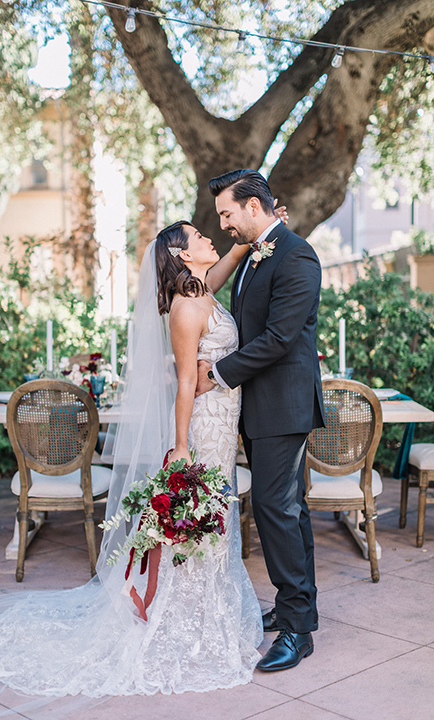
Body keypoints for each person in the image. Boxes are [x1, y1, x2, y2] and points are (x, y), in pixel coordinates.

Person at [0, 214, 283, 711]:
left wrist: (261, 233)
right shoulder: (184, 309)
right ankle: (188, 620)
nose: (209, 237)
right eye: (198, 236)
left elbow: (225, 267)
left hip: (222, 420)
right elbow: (186, 385)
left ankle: (208, 611)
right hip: (203, 427)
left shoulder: (202, 293)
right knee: (203, 522)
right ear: (180, 254)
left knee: (214, 521)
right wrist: (181, 445)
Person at [196, 168, 325, 672]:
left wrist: (219, 374)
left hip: (284, 406)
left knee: (274, 510)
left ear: (254, 207)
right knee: (289, 512)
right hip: (258, 407)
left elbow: (278, 339)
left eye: (227, 212)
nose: (224, 222)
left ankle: (297, 631)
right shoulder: (255, 253)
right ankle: (298, 608)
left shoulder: (297, 255)